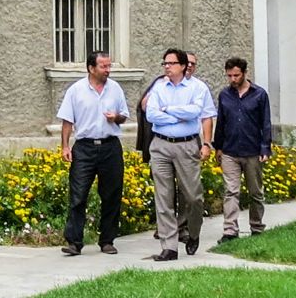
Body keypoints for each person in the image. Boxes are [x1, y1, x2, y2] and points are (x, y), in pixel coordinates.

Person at [142, 47, 214, 261]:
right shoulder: (159, 86)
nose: (167, 67)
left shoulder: (198, 87)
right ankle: (169, 247)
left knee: (193, 197)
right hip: (160, 145)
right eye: (164, 63)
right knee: (163, 197)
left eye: (171, 63)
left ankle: (193, 233)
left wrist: (167, 110)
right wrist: (176, 113)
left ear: (183, 66)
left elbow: (195, 112)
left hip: (186, 145)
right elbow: (152, 114)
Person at [56, 50, 129, 256]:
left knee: (112, 194)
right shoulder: (76, 90)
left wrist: (116, 117)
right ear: (91, 68)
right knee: (78, 195)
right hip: (84, 148)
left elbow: (124, 116)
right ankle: (74, 242)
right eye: (103, 66)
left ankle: (107, 240)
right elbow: (67, 121)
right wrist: (65, 146)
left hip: (110, 146)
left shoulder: (115, 89)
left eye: (109, 66)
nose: (108, 70)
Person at [211, 57, 272, 242]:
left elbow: (266, 123)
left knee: (255, 192)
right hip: (230, 149)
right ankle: (230, 230)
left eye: (236, 75)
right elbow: (221, 122)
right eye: (229, 75)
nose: (232, 79)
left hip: (252, 149)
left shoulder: (259, 95)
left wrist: (265, 148)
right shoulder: (225, 95)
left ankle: (257, 225)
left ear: (245, 73)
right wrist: (218, 146)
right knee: (231, 191)